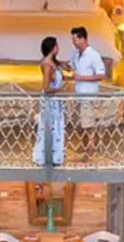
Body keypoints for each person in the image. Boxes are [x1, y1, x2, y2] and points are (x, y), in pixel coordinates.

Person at [69, 25, 106, 156]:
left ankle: (90, 149)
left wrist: (82, 77)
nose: (73, 42)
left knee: (89, 123)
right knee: (81, 122)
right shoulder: (74, 54)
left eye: (75, 39)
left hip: (89, 94)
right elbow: (72, 66)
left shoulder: (93, 55)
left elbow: (101, 75)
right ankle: (84, 145)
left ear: (83, 39)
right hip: (78, 93)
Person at [32, 35, 65, 166]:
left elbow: (54, 79)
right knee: (49, 126)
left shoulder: (52, 63)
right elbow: (45, 87)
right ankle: (46, 156)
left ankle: (55, 155)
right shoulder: (47, 65)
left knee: (55, 126)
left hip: (55, 100)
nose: (58, 48)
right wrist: (59, 90)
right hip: (50, 100)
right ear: (53, 48)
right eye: (56, 45)